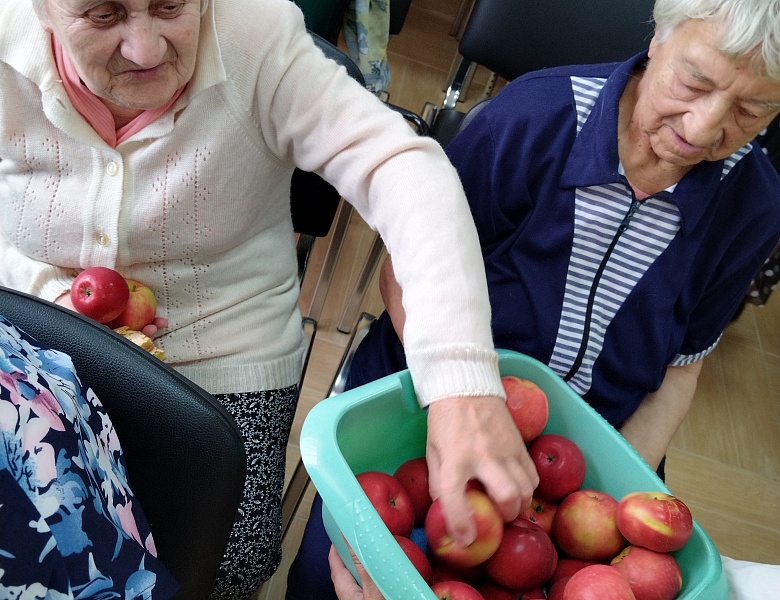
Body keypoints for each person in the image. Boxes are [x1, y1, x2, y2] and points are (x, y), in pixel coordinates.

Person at [0, 0, 539, 598]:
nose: (147, 50)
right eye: (103, 15)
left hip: (225, 350)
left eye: (172, 5)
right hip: (36, 332)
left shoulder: (256, 36)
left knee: (225, 565)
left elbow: (400, 167)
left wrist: (460, 379)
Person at [287, 0, 780, 596]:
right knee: (329, 576)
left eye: (752, 111)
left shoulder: (753, 206)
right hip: (425, 403)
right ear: (658, 38)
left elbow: (681, 367)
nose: (702, 130)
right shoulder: (532, 121)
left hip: (589, 451)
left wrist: (612, 489)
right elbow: (406, 273)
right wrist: (462, 399)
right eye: (693, 82)